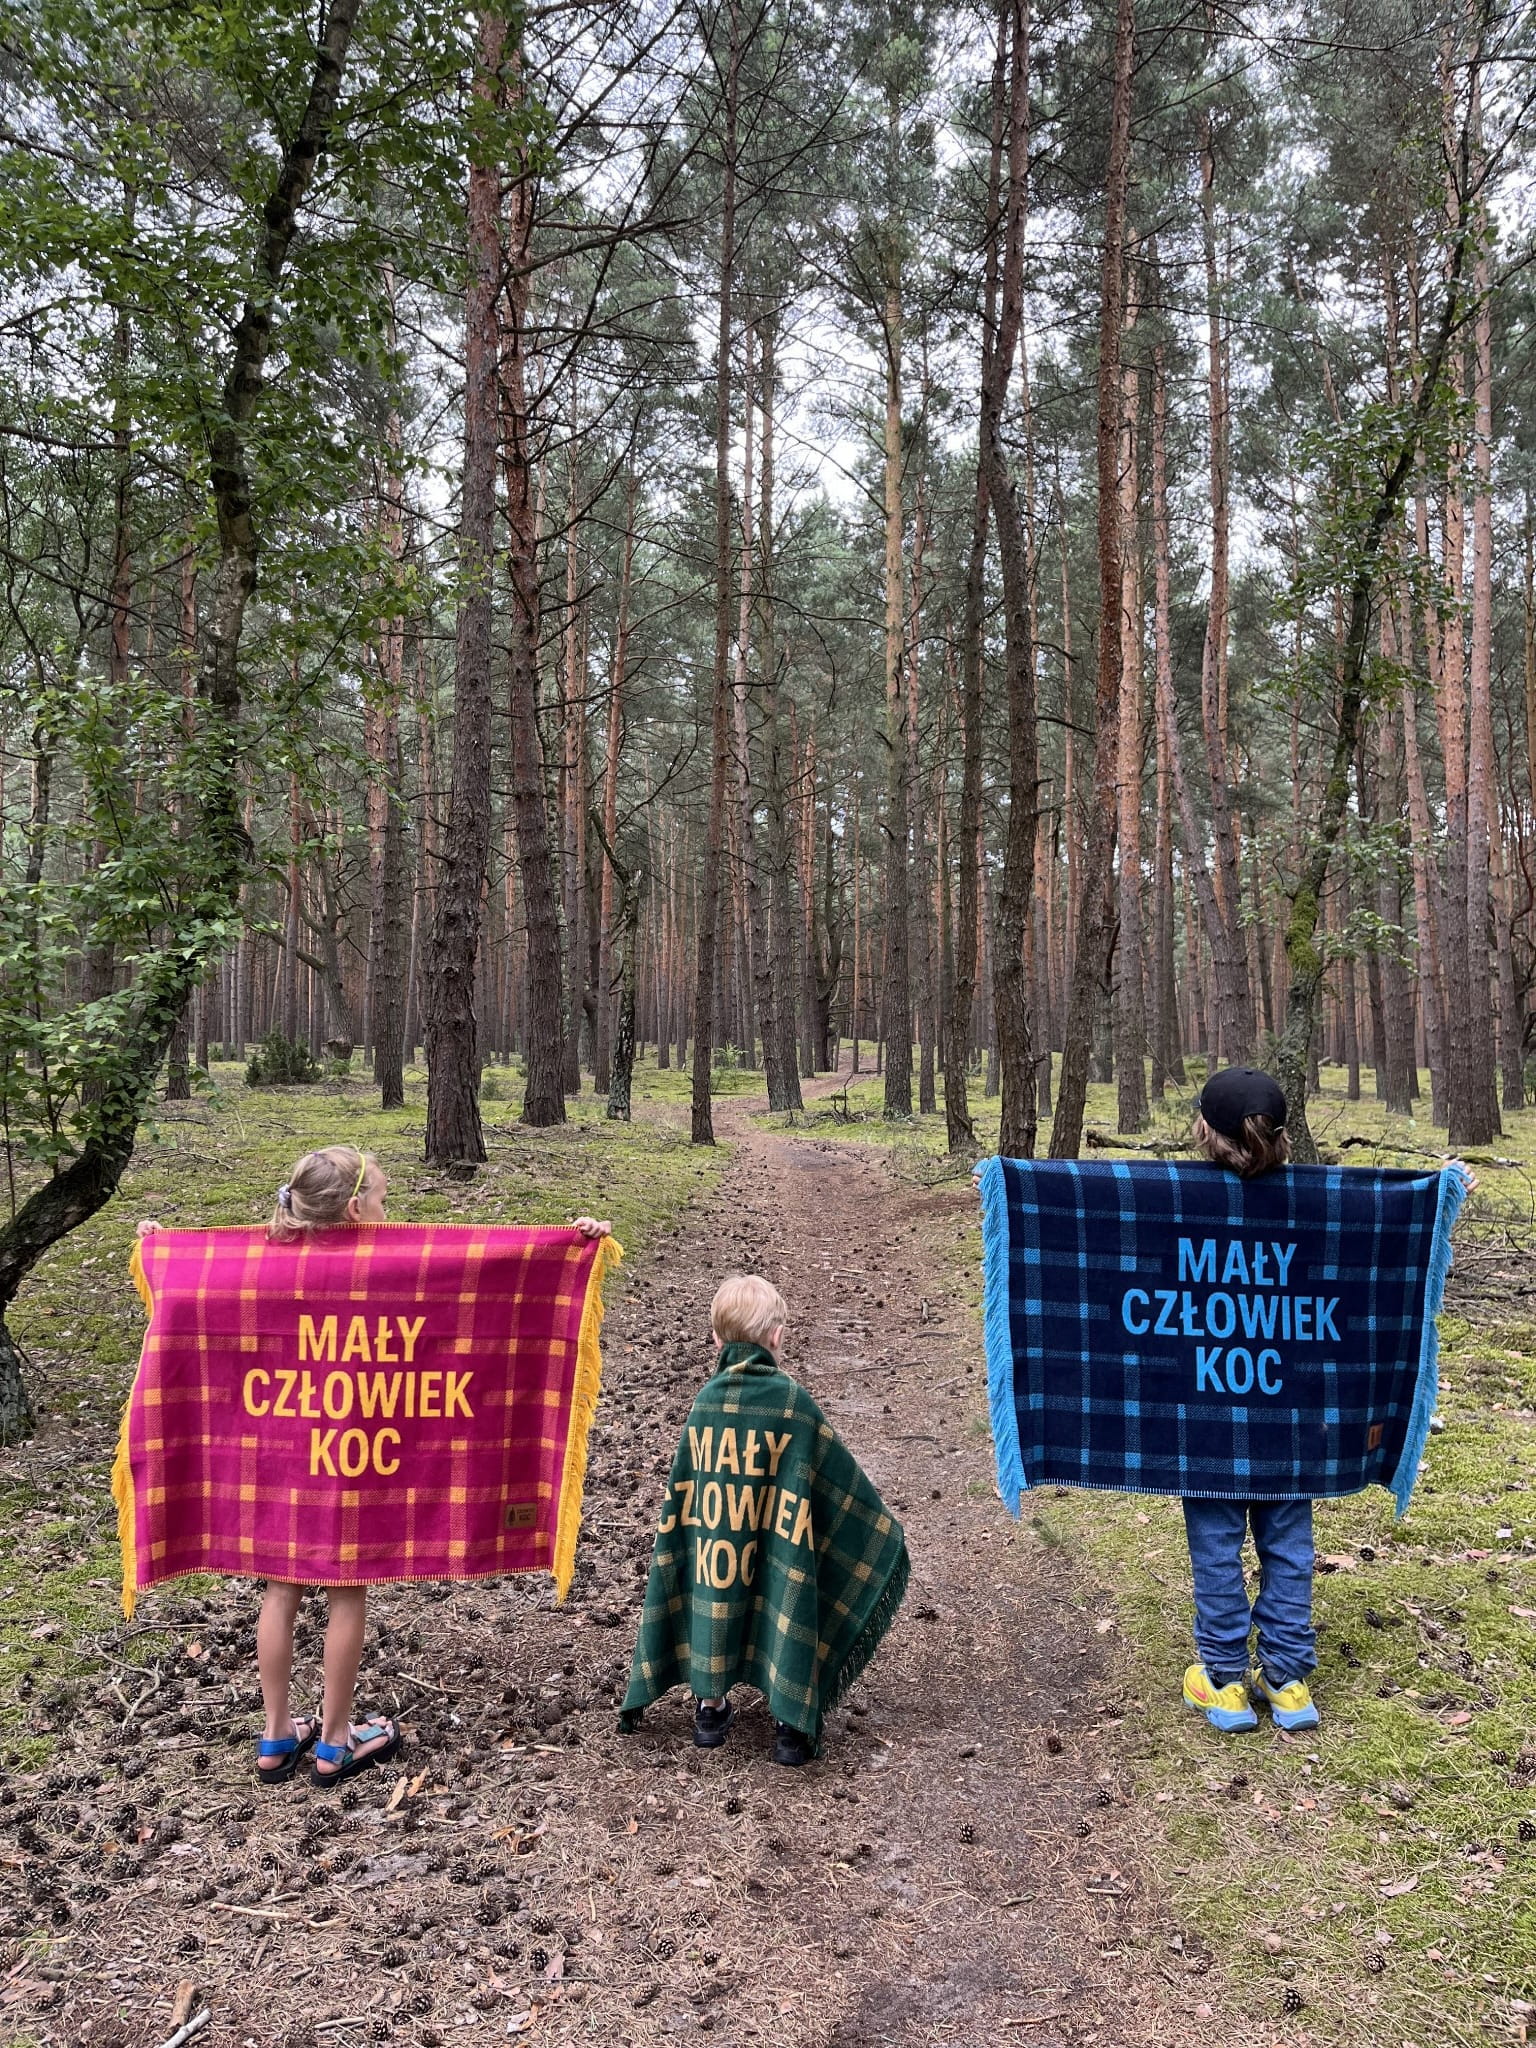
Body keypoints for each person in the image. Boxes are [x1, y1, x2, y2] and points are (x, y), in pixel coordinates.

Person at [138, 1142, 612, 1787]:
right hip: (353, 1460)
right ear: (357, 1208)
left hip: (284, 1458)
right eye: (383, 1198)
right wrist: (574, 1243)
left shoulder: (263, 1263)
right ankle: (336, 1741)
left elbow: (202, 1290)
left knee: (278, 1588)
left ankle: (275, 1736)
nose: (390, 1211)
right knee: (346, 1590)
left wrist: (164, 1248)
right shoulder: (388, 1267)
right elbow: (479, 1279)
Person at [620, 1274, 909, 1767]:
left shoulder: (705, 1404)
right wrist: (878, 1530)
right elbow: (836, 1482)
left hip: (717, 1545)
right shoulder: (793, 1404)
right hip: (779, 1543)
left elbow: (685, 1496)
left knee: (715, 1598)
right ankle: (789, 1725)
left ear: (716, 1339)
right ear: (776, 1336)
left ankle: (710, 1711)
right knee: (784, 1592)